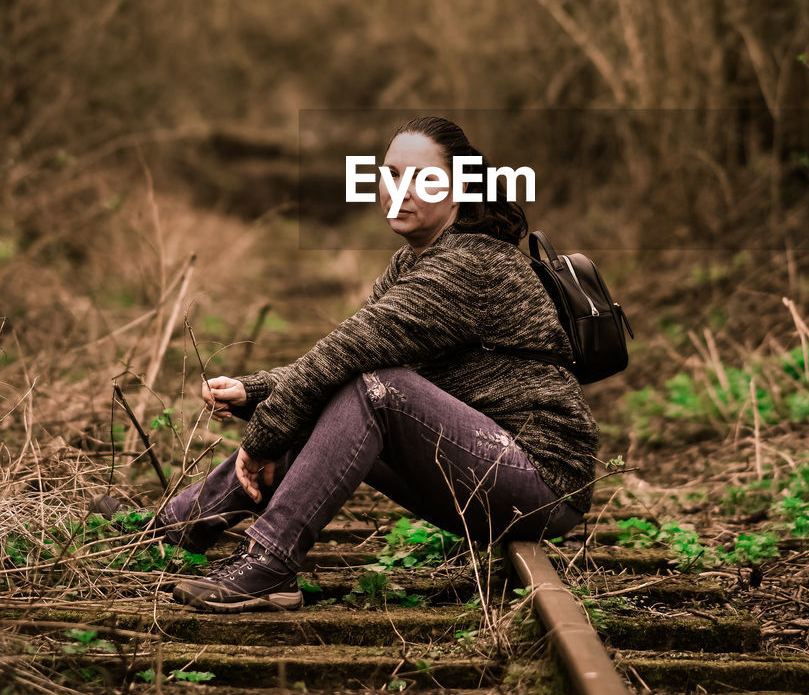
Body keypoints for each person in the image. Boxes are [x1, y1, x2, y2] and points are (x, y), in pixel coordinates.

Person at [154, 116, 599, 612]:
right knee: (347, 387)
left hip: (540, 483)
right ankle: (171, 531)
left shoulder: (472, 264)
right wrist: (255, 390)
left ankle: (270, 561)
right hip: (476, 465)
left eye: (421, 179)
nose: (398, 191)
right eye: (390, 175)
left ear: (460, 188)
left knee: (374, 389)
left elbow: (349, 355)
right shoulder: (414, 262)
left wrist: (263, 437)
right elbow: (351, 352)